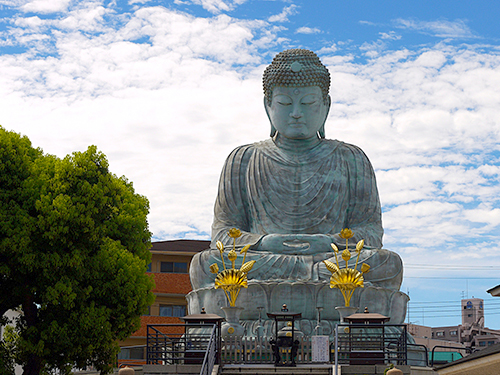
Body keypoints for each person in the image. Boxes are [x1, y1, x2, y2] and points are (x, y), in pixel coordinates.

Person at [188, 49, 407, 332]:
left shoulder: (352, 158)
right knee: (205, 264)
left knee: (387, 264)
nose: (296, 113)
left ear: (325, 106)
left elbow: (370, 233)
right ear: (268, 105)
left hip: (330, 263)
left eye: (307, 103)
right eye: (284, 102)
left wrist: (324, 243)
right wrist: (265, 243)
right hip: (264, 261)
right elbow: (222, 234)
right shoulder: (242, 159)